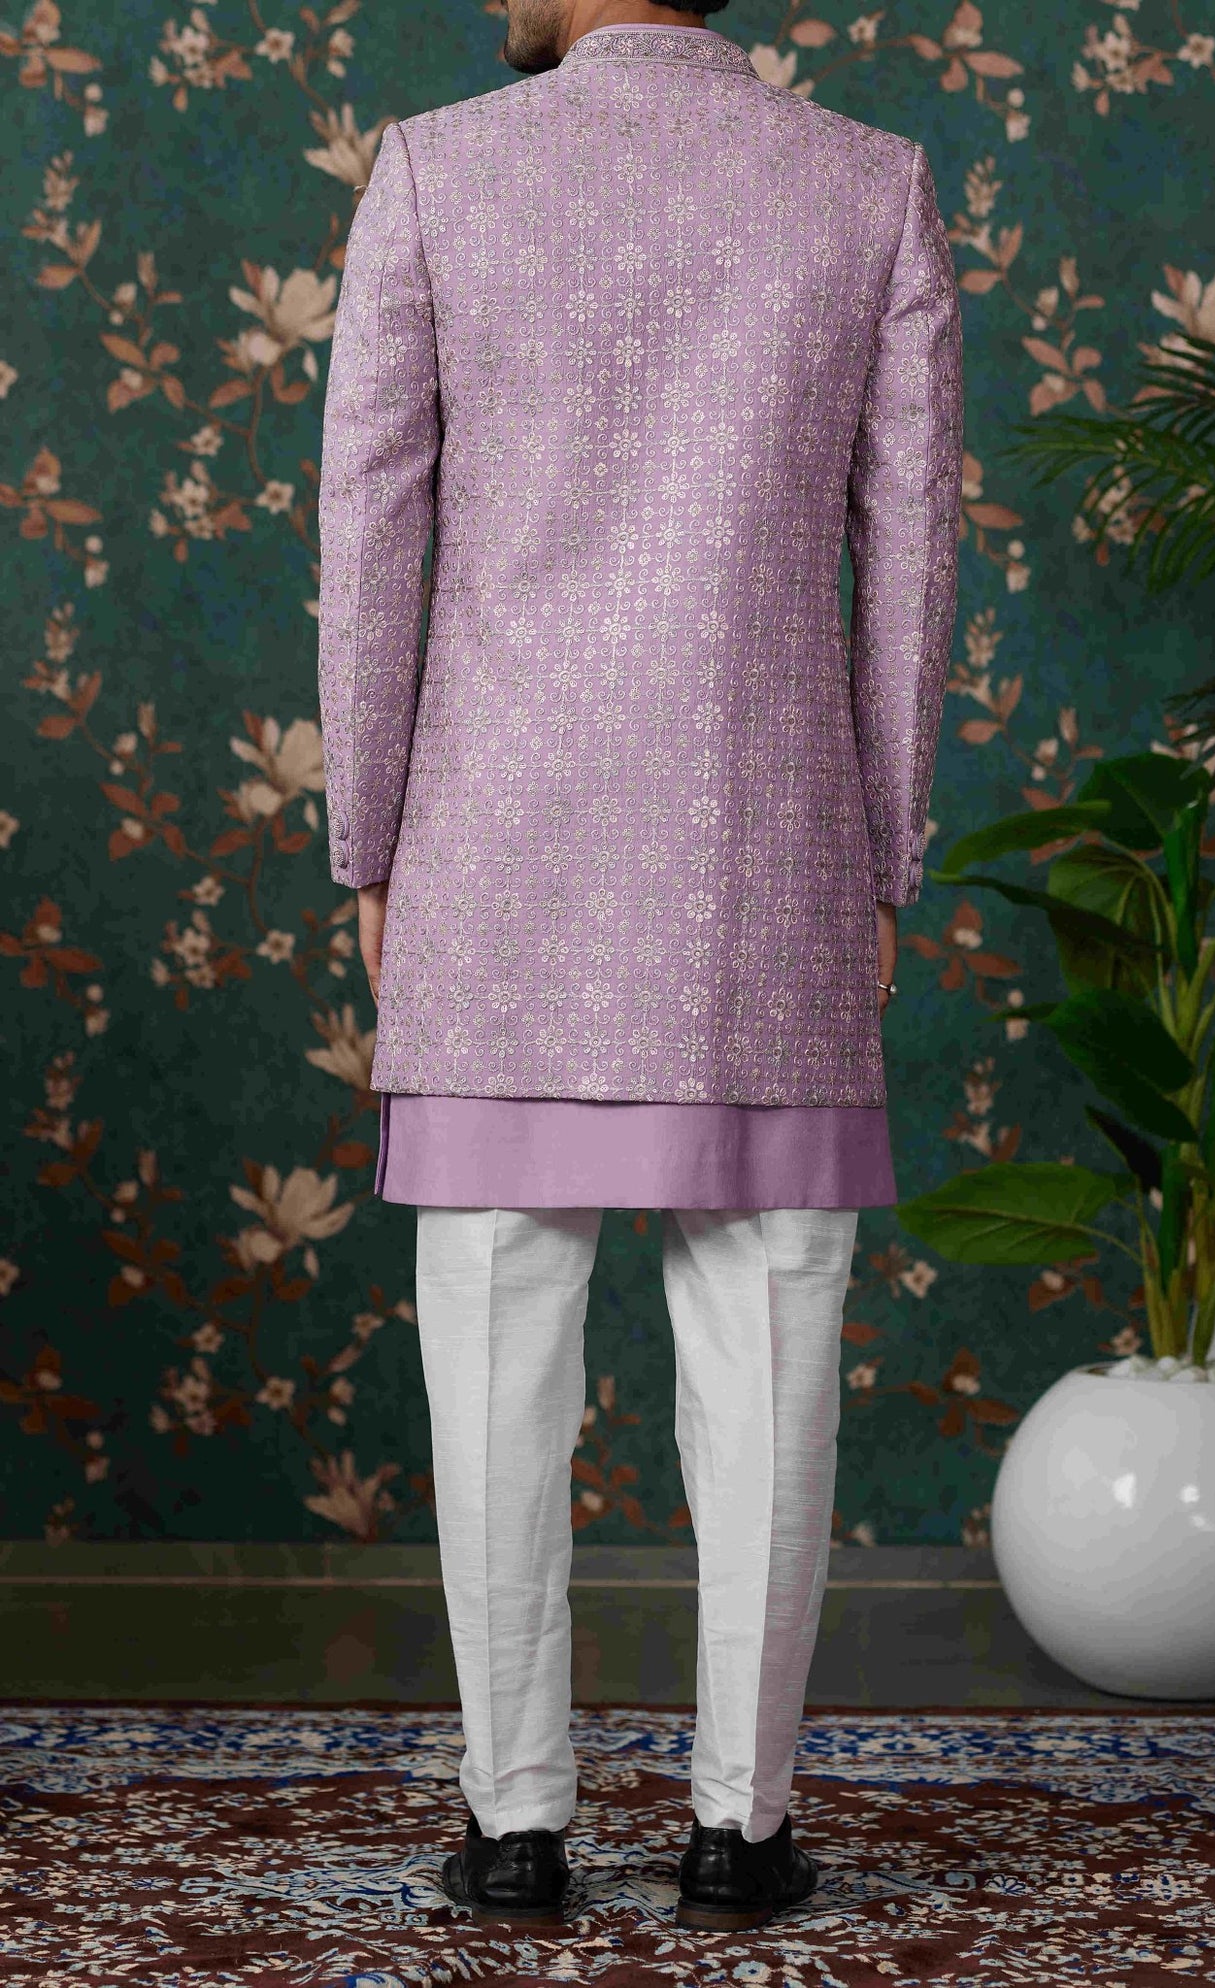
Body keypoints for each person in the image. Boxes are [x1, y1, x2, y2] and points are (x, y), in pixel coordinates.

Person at [316, 0, 962, 1934]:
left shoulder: (436, 172)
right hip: (764, 843)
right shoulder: (867, 186)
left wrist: (369, 836)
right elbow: (911, 557)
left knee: (495, 1345)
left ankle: (515, 1824)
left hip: (495, 842)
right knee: (770, 1339)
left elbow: (371, 531)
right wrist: (886, 844)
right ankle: (742, 1831)